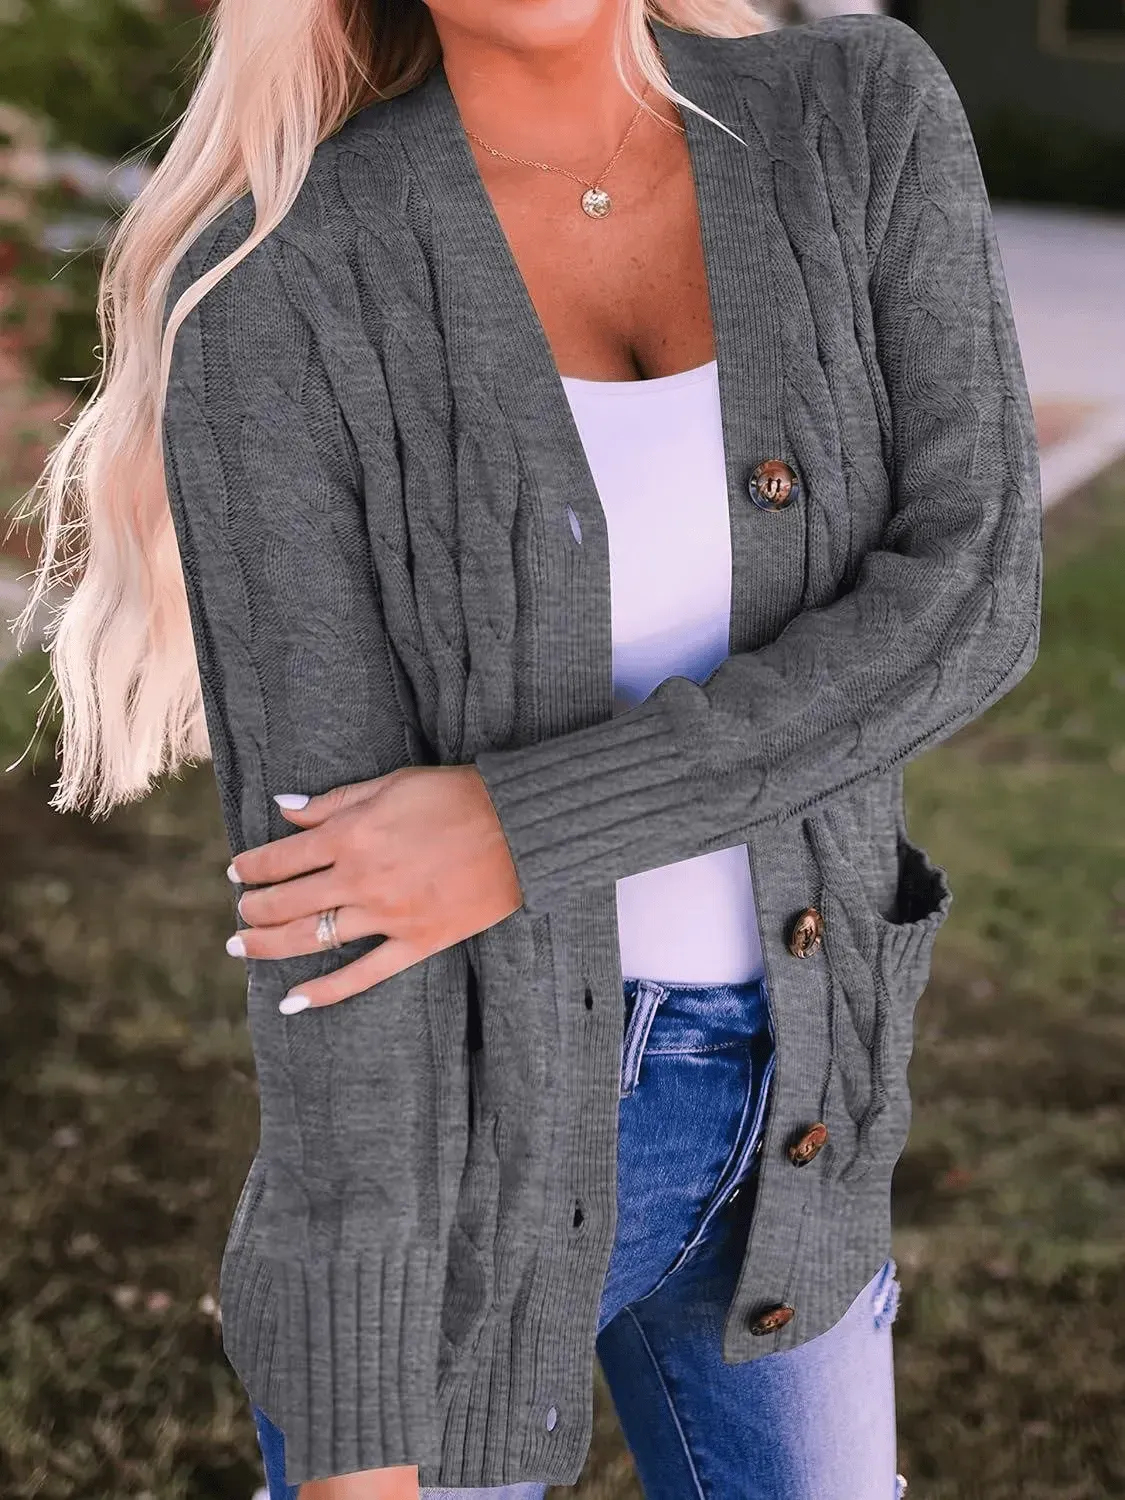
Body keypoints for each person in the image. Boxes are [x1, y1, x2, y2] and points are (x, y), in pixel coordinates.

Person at [15, 0, 1043, 1493]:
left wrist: (524, 826)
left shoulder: (856, 111)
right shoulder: (278, 276)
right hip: (469, 1149)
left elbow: (973, 594)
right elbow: (336, 899)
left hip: (808, 1111)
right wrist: (359, 1423)